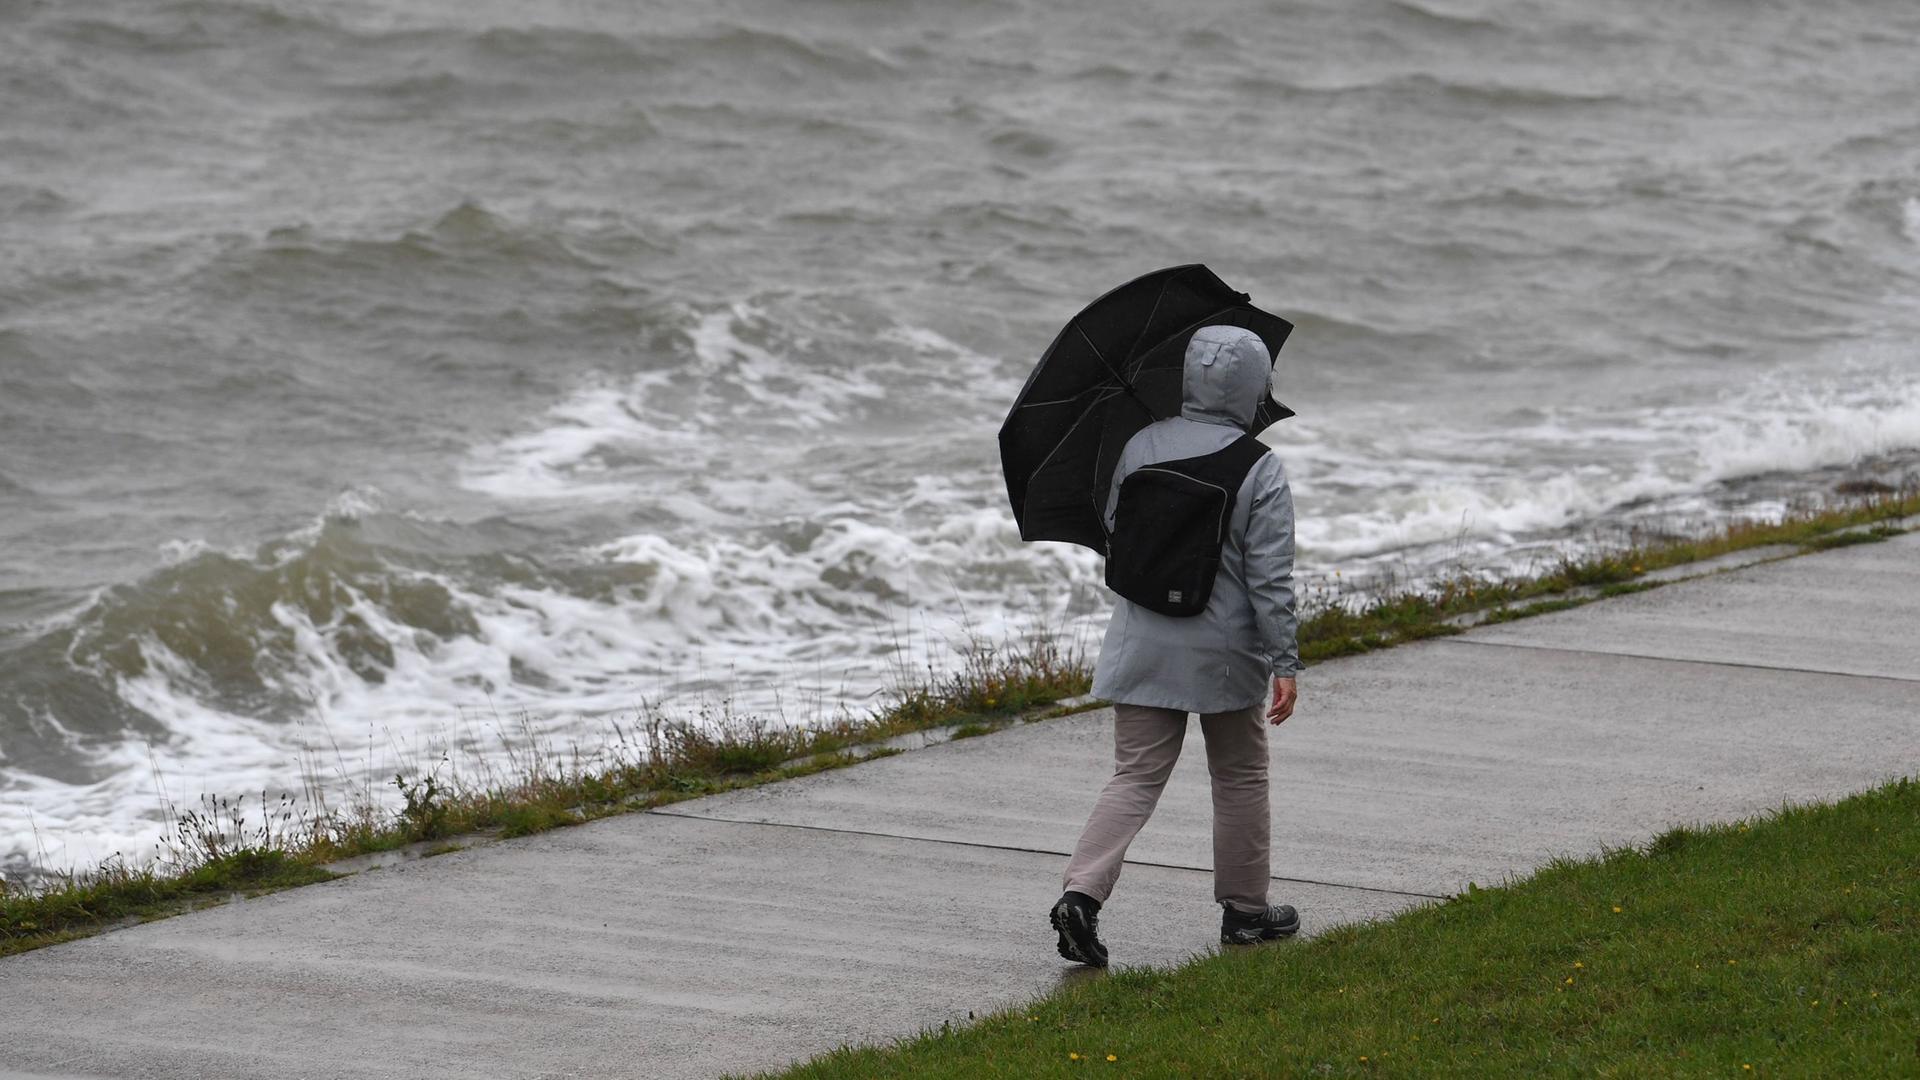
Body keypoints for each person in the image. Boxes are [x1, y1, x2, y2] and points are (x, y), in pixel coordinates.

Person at [1049, 324, 1302, 968]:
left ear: (1189, 380)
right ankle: (1246, 913)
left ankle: (1081, 896)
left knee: (1134, 777)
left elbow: (1114, 532)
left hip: (1142, 643)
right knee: (1240, 776)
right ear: (1253, 389)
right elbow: (1270, 579)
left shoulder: (1140, 445)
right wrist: (1286, 661)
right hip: (1223, 654)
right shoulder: (1259, 466)